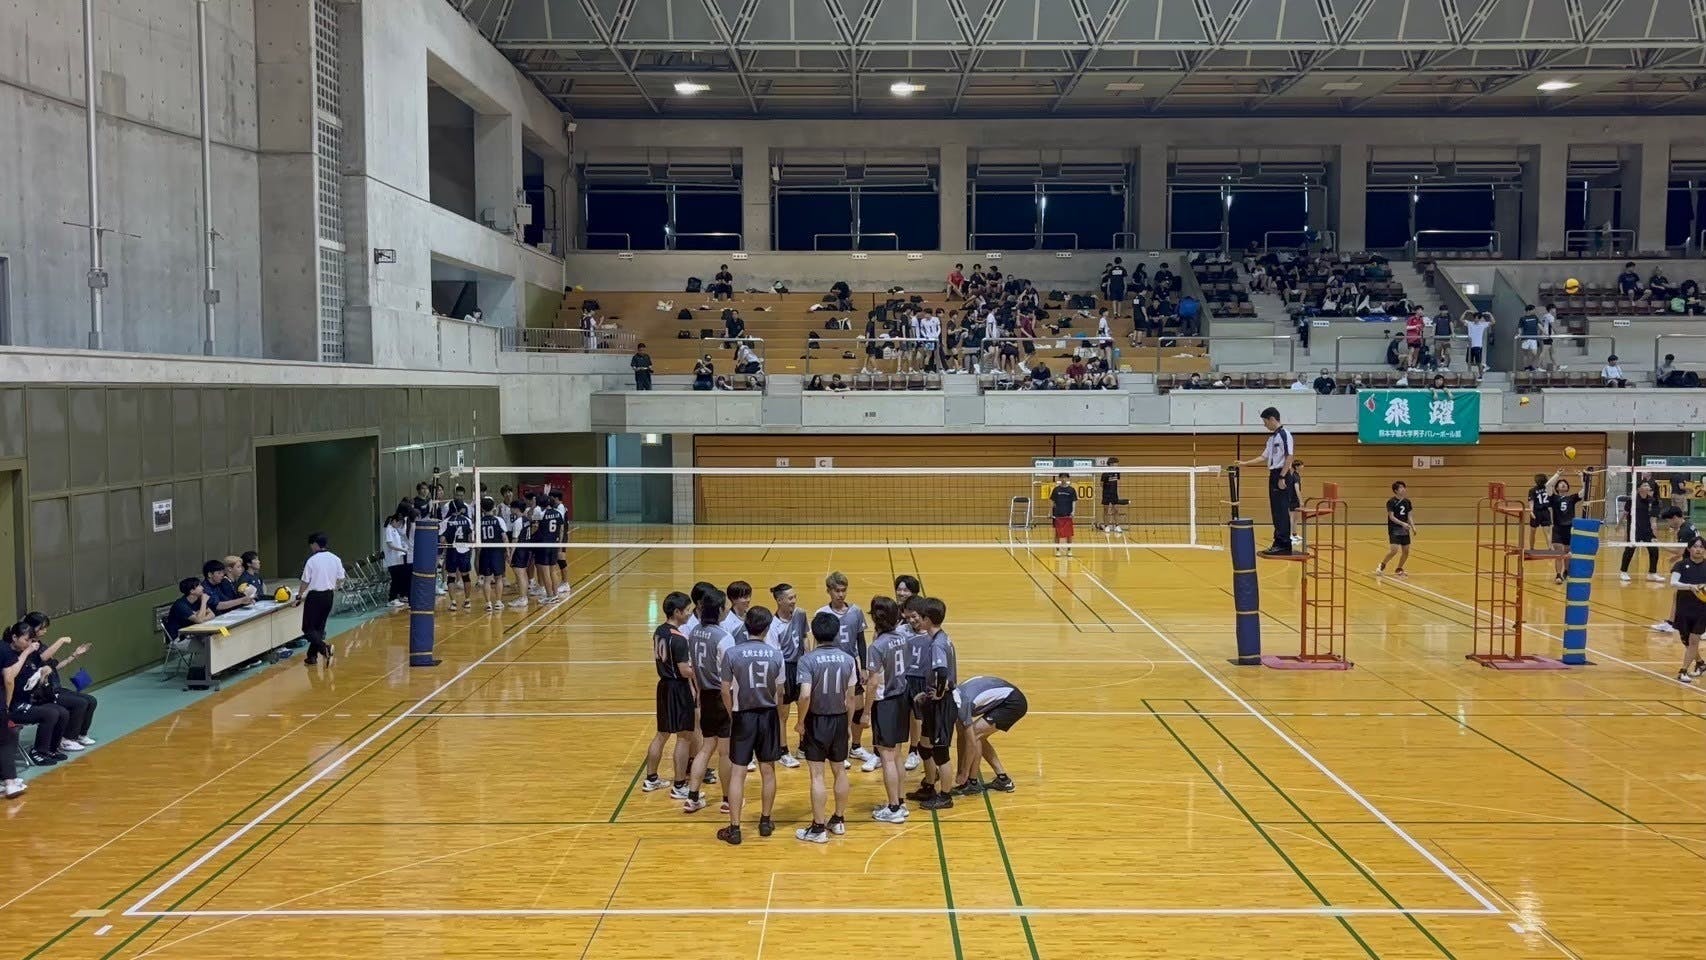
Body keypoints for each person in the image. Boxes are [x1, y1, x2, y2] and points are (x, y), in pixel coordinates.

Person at [719, 605, 784, 845]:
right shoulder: (776, 655)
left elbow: (724, 689)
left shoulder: (732, 653)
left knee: (738, 772)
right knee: (768, 770)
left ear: (746, 626)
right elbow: (780, 691)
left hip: (742, 715)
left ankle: (735, 828)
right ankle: (765, 821)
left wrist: (732, 713)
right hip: (768, 715)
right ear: (767, 628)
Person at [794, 610, 857, 843]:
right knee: (839, 770)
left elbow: (805, 695)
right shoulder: (848, 659)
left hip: (817, 720)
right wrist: (848, 725)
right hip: (839, 718)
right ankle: (838, 820)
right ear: (836, 633)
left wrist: (800, 722)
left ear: (814, 634)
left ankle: (818, 828)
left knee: (817, 775)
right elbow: (851, 698)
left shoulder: (807, 660)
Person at [682, 587, 734, 816]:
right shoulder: (724, 637)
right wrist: (732, 708)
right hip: (722, 696)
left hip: (704, 694)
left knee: (706, 746)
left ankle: (692, 797)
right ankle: (728, 799)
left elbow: (693, 667)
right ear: (720, 609)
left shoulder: (694, 632)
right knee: (725, 752)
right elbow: (730, 674)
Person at [642, 591, 698, 796]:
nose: (690, 613)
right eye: (687, 610)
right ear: (677, 612)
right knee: (684, 737)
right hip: (678, 688)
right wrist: (701, 670)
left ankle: (651, 779)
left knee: (662, 734)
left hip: (663, 686)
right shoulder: (679, 639)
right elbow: (684, 671)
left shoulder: (659, 631)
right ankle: (680, 785)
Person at [816, 572, 874, 768]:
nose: (841, 595)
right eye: (837, 591)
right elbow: (818, 643)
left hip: (851, 666)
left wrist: (863, 667)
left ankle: (855, 746)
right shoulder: (822, 613)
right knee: (837, 708)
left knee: (857, 707)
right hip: (831, 667)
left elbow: (861, 641)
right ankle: (837, 748)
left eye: (843, 590)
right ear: (829, 591)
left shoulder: (856, 612)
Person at [864, 596, 912, 823]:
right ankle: (900, 802)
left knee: (886, 757)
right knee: (897, 754)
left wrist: (866, 711)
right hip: (902, 698)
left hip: (886, 703)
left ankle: (893, 808)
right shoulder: (902, 638)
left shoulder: (877, 646)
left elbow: (873, 683)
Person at [906, 597, 957, 810]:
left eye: (920, 617)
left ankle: (945, 796)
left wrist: (938, 694)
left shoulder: (937, 643)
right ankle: (929, 785)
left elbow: (942, 672)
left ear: (927, 619)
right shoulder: (942, 637)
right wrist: (928, 695)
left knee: (940, 752)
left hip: (942, 704)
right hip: (934, 701)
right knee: (924, 746)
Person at [22, 613, 96, 749]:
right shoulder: (28, 646)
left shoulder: (41, 645)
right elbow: (42, 658)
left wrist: (74, 655)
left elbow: (53, 667)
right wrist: (61, 640)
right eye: (42, 627)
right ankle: (66, 739)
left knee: (91, 700)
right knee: (80, 703)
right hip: (42, 693)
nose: (45, 630)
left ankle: (80, 734)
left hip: (55, 687)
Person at [947, 675, 1027, 795]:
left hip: (1013, 703)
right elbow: (961, 736)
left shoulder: (962, 704)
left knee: (975, 734)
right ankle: (1003, 779)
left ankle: (972, 783)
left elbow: (971, 742)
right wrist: (961, 769)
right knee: (974, 734)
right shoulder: (956, 694)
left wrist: (964, 772)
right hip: (1004, 698)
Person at [1236, 407, 1296, 556]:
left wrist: (1282, 477)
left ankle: (1284, 544)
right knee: (1276, 511)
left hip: (1281, 474)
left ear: (1272, 419)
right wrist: (1244, 463)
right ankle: (1278, 542)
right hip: (1273, 474)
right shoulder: (1272, 438)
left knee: (1281, 510)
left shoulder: (1285, 434)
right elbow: (1263, 457)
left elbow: (1289, 456)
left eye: (1265, 422)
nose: (1264, 425)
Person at [763, 583, 807, 770]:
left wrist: (808, 659)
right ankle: (783, 751)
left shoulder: (800, 614)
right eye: (790, 598)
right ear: (779, 600)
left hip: (801, 665)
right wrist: (779, 680)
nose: (794, 601)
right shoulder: (773, 626)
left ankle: (804, 746)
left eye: (795, 597)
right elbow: (776, 656)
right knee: (783, 713)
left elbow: (804, 637)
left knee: (806, 706)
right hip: (784, 668)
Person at [293, 532, 345, 666]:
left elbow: (305, 581)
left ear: (315, 544)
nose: (311, 547)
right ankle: (311, 656)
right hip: (329, 595)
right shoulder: (335, 558)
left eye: (311, 545)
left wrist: (299, 595)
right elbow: (341, 578)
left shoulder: (312, 560)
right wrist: (335, 587)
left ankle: (324, 648)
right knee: (319, 627)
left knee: (307, 628)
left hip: (315, 596)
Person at [1653, 507, 1699, 634]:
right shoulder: (1689, 525)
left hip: (1692, 567)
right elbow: (1683, 551)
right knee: (1678, 595)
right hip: (1692, 564)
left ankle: (1674, 624)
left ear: (1675, 518)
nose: (1669, 524)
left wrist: (1660, 545)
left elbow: (1679, 551)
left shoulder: (1684, 531)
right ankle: (1671, 623)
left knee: (1694, 597)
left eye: (1669, 521)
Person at [1667, 538, 1706, 684]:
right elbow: (1673, 583)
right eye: (1695, 546)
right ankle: (1701, 663)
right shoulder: (1681, 565)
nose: (1698, 549)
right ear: (1689, 549)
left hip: (1702, 610)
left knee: (1694, 640)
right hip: (1684, 609)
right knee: (1686, 641)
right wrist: (1690, 586)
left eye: (1701, 547)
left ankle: (1683, 671)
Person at [1544, 471, 1588, 583]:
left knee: (1567, 553)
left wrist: (1582, 477)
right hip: (1558, 528)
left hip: (1569, 529)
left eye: (1565, 483)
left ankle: (1566, 572)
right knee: (1559, 553)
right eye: (1560, 483)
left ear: (1568, 487)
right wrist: (1557, 475)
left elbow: (1585, 490)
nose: (1563, 484)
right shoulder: (1553, 498)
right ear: (1557, 488)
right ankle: (1558, 575)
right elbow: (1548, 485)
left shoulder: (1572, 498)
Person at [1617, 480, 1662, 583]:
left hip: (1647, 530)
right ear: (1639, 489)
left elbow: (1653, 520)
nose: (1647, 486)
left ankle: (1652, 574)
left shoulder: (1652, 501)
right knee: (1629, 550)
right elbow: (1625, 514)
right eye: (1644, 485)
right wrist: (1618, 526)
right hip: (1634, 530)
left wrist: (1654, 534)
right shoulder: (1632, 500)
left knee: (1654, 550)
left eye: (1648, 485)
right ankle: (1623, 572)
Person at [1376, 481, 1416, 578]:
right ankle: (1382, 565)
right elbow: (1391, 517)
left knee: (1406, 551)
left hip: (1405, 529)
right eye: (1401, 488)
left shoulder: (1407, 501)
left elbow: (1409, 516)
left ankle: (1399, 568)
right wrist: (1403, 524)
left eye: (1404, 487)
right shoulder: (1391, 502)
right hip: (1394, 528)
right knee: (1394, 550)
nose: (1403, 489)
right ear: (1395, 490)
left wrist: (1413, 527)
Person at [476, 497, 508, 612]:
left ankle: (488, 603)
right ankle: (498, 602)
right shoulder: (498, 520)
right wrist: (508, 551)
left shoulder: (479, 522)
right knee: (499, 578)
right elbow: (504, 537)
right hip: (497, 552)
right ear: (494, 507)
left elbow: (475, 539)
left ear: (482, 509)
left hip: (485, 552)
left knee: (487, 579)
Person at [441, 499, 475, 612]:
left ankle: (453, 603)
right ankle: (467, 601)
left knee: (451, 576)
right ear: (460, 509)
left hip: (452, 551)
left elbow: (442, 540)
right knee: (466, 576)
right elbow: (471, 538)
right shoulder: (467, 520)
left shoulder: (446, 521)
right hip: (464, 550)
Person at [1049, 473, 1077, 557]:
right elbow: (1052, 502)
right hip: (1057, 514)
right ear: (1059, 478)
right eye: (1062, 477)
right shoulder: (1056, 489)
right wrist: (1050, 512)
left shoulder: (1071, 490)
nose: (1063, 479)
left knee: (1069, 534)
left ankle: (1069, 550)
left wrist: (1073, 511)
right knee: (1057, 533)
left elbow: (1074, 501)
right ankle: (1057, 550)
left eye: (1065, 477)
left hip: (1067, 514)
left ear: (1068, 478)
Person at [1098, 459, 1128, 533]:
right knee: (1106, 510)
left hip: (1114, 494)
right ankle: (1106, 526)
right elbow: (1101, 484)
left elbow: (1117, 481)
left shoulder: (1117, 472)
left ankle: (1117, 526)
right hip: (1106, 494)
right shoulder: (1105, 473)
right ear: (1111, 464)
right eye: (1116, 463)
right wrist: (1107, 489)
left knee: (1116, 510)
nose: (1117, 465)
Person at [1526, 473, 1552, 551]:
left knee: (1533, 531)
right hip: (1545, 512)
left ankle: (1532, 548)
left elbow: (1531, 501)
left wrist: (1531, 511)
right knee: (1547, 532)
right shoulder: (1548, 488)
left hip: (1537, 511)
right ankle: (1549, 548)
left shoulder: (1532, 490)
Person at [1464, 311, 1490, 380]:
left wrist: (1489, 314)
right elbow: (1461, 319)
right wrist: (1466, 312)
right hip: (1470, 346)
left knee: (1478, 362)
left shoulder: (1483, 325)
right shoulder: (1470, 324)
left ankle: (1480, 376)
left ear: (1479, 319)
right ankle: (1483, 366)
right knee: (1468, 362)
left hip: (1478, 346)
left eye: (1478, 318)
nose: (1476, 319)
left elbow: (1493, 322)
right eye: (1475, 318)